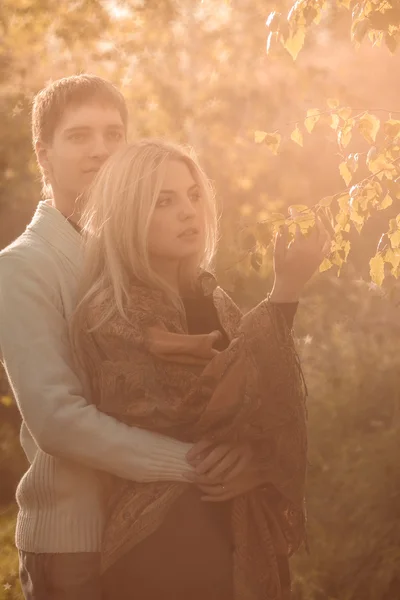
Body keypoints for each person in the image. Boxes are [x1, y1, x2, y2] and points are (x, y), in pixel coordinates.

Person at [0, 75, 247, 600]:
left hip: (164, 530)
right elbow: (56, 420)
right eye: (79, 136)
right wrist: (191, 463)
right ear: (43, 154)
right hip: (76, 539)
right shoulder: (23, 267)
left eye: (114, 133)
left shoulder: (139, 249)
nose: (101, 150)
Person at [71, 139, 331, 599]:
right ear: (127, 213)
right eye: (164, 202)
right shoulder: (113, 312)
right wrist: (285, 289)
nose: (189, 212)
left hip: (238, 529)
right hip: (168, 542)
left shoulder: (213, 298)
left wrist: (257, 460)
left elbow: (263, 405)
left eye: (193, 195)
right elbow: (204, 409)